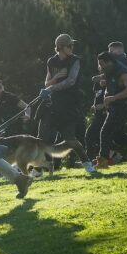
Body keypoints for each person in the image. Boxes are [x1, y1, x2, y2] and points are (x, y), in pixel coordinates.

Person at [38, 34, 96, 174]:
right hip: (53, 103)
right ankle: (39, 168)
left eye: (72, 45)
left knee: (69, 138)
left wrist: (52, 87)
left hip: (70, 103)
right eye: (69, 46)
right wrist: (55, 79)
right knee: (43, 137)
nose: (72, 48)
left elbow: (71, 81)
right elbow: (47, 82)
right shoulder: (51, 61)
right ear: (61, 47)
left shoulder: (75, 60)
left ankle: (87, 163)